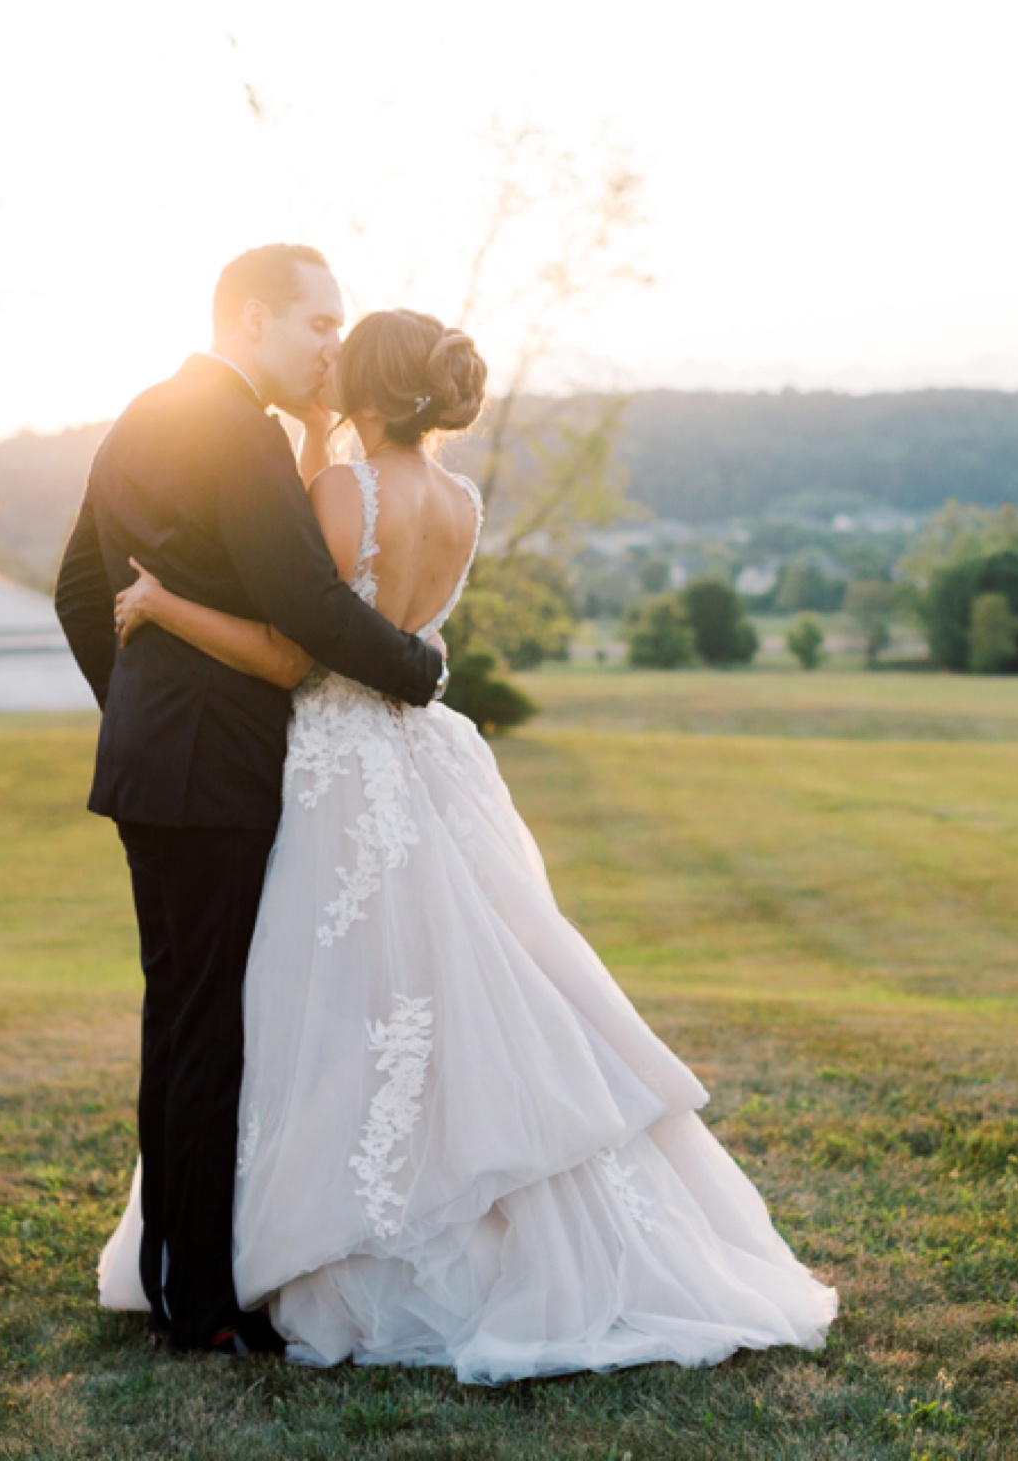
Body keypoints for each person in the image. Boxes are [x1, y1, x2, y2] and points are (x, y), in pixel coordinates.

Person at [95, 307, 838, 1382]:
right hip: (425, 758)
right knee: (451, 991)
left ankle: (313, 1242)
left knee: (327, 1008)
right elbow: (384, 612)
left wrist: (163, 601)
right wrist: (319, 445)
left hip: (340, 768)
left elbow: (295, 642)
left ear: (363, 389)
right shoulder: (460, 501)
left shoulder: (338, 490)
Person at [54, 246, 446, 1356]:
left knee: (176, 1018)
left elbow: (78, 588)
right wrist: (417, 671)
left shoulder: (144, 412)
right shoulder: (237, 430)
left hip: (156, 760)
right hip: (215, 763)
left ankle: (178, 1281)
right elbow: (303, 598)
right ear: (254, 319)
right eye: (317, 324)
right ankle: (201, 1307)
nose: (333, 345)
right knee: (209, 1027)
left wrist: (137, 708)